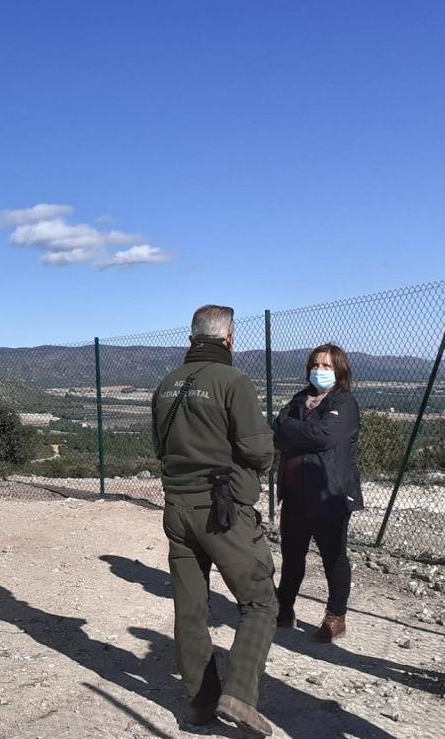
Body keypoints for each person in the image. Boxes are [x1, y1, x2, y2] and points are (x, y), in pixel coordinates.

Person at [151, 304, 277, 736]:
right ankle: (239, 695)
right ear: (229, 338)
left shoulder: (166, 385)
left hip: (176, 509)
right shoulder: (233, 382)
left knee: (190, 608)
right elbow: (260, 451)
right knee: (260, 601)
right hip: (223, 511)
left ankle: (199, 705)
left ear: (192, 338)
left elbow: (160, 448)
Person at [272, 343, 362, 644]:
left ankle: (336, 617)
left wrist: (292, 431)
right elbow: (278, 432)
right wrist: (295, 433)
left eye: (326, 366)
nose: (319, 371)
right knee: (292, 555)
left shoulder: (345, 403)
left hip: (329, 495)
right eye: (315, 365)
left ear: (339, 371)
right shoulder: (301, 399)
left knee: (333, 558)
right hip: (296, 492)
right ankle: (284, 608)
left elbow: (326, 436)